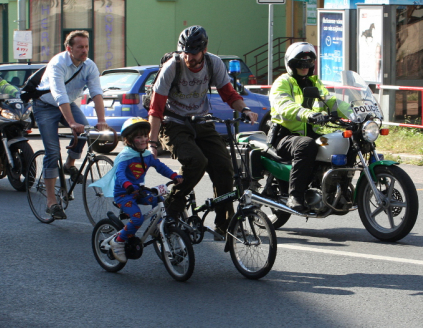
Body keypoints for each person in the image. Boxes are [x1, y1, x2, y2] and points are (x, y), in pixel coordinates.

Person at [148, 25, 258, 236]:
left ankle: (225, 227)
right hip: (173, 123)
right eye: (185, 52)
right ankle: (171, 210)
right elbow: (156, 109)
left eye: (193, 52)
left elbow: (229, 94)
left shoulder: (213, 63)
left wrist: (245, 110)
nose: (189, 57)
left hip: (201, 122)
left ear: (204, 49)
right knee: (196, 161)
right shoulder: (172, 67)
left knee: (224, 168)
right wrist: (152, 144)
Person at [33, 30, 108, 220]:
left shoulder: (89, 66)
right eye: (80, 47)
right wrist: (71, 123)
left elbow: (96, 93)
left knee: (86, 131)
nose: (84, 51)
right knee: (52, 150)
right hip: (45, 104)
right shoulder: (58, 63)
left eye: (86, 47)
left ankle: (69, 164)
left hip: (68, 103)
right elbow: (59, 94)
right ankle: (51, 201)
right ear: (69, 48)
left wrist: (101, 120)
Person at [89, 117, 183, 263]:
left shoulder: (146, 156)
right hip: (123, 194)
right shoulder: (125, 157)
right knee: (137, 218)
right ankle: (118, 241)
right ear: (129, 140)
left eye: (145, 136)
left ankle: (157, 227)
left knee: (157, 199)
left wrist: (174, 176)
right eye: (139, 137)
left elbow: (160, 167)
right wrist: (127, 185)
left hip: (138, 191)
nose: (144, 139)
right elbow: (120, 175)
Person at [268, 42, 347, 212]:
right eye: (300, 64)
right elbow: (284, 105)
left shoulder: (313, 83)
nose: (305, 68)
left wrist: (356, 113)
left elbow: (330, 101)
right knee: (306, 144)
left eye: (309, 64)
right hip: (284, 135)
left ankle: (338, 190)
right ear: (291, 64)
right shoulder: (283, 82)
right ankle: (294, 195)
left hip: (312, 133)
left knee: (342, 140)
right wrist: (308, 114)